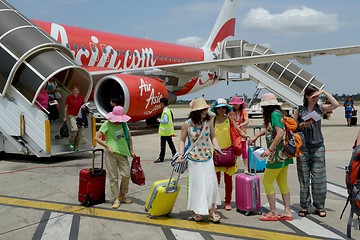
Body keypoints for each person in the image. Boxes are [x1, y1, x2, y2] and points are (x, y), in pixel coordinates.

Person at [294, 87, 339, 218]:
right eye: (313, 96)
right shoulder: (299, 109)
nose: (316, 98)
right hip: (303, 147)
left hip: (318, 146)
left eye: (317, 96)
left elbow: (335, 104)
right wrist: (303, 125)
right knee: (304, 178)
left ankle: (319, 206)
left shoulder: (320, 108)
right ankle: (305, 205)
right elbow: (293, 126)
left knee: (319, 178)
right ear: (306, 96)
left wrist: (324, 92)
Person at [248, 93, 293, 221]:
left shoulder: (274, 114)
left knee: (267, 181)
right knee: (282, 182)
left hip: (276, 156)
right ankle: (287, 211)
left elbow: (280, 133)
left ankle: (273, 212)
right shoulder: (277, 114)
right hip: (283, 155)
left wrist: (269, 149)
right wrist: (257, 136)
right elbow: (270, 130)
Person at [178, 98, 222, 222]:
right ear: (196, 112)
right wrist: (181, 155)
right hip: (194, 159)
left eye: (206, 110)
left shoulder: (209, 122)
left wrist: (217, 147)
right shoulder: (187, 124)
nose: (205, 112)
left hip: (208, 158)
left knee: (210, 185)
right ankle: (195, 211)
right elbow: (182, 140)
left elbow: (213, 137)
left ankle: (211, 211)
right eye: (203, 110)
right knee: (197, 186)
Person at [95, 106, 136, 209]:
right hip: (111, 154)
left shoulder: (124, 124)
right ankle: (116, 198)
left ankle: (123, 194)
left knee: (126, 175)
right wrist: (107, 146)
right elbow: (96, 138)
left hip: (123, 153)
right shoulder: (107, 124)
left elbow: (129, 138)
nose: (118, 122)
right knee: (114, 177)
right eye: (116, 120)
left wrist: (131, 150)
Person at [211, 98, 247, 211]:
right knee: (215, 180)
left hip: (228, 153)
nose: (221, 111)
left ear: (226, 109)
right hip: (215, 153)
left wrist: (247, 137)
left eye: (223, 108)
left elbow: (238, 130)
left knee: (228, 180)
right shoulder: (212, 120)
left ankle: (227, 201)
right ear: (216, 110)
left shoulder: (229, 119)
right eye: (218, 109)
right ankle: (215, 201)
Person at [229, 96, 250, 173]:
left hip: (242, 134)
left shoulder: (243, 111)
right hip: (233, 134)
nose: (235, 106)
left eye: (237, 104)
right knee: (234, 150)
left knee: (243, 150)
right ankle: (234, 166)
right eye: (234, 104)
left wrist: (241, 125)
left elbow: (247, 121)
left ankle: (245, 168)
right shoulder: (231, 112)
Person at [154, 98, 177, 163]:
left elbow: (165, 121)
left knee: (163, 145)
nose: (160, 104)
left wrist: (159, 120)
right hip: (168, 131)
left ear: (162, 103)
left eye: (160, 103)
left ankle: (161, 158)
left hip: (164, 132)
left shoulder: (165, 112)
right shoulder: (168, 111)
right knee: (171, 144)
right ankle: (175, 155)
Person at [64, 86, 86, 151]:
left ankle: (76, 146)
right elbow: (66, 107)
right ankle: (71, 143)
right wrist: (65, 117)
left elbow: (84, 105)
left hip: (79, 116)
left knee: (80, 132)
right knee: (75, 129)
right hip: (72, 115)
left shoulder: (81, 97)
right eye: (73, 90)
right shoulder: (69, 97)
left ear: (78, 92)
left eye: (76, 91)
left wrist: (84, 107)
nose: (74, 92)